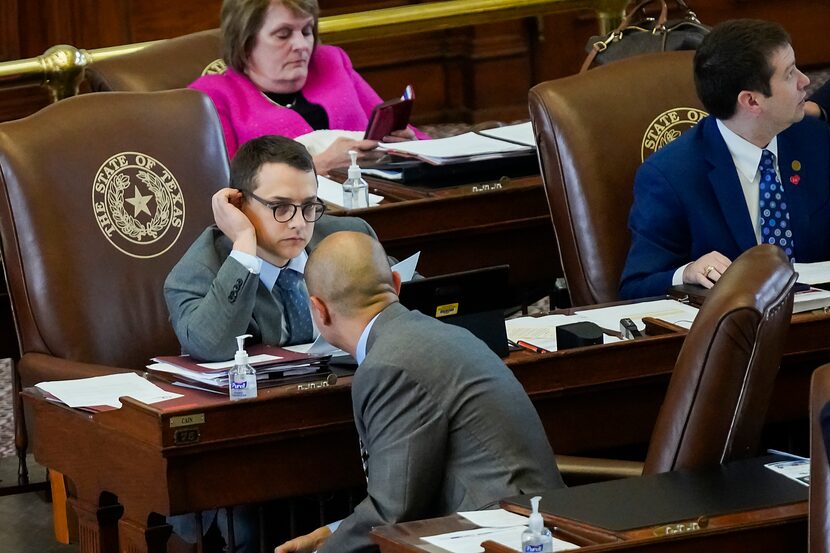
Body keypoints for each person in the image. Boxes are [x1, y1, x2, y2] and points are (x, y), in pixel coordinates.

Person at [274, 231, 564, 553]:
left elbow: (394, 512)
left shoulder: (387, 365)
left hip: (499, 536)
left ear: (319, 310)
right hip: (531, 524)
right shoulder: (443, 335)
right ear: (397, 284)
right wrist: (333, 533)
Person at [619, 19, 830, 300]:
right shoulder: (671, 176)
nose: (806, 81)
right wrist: (688, 272)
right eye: (790, 74)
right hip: (740, 334)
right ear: (751, 101)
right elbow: (635, 287)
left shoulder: (816, 140)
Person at [164, 134, 382, 361]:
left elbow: (409, 307)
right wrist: (244, 247)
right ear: (240, 204)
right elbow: (210, 348)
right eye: (280, 207)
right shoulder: (197, 272)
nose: (299, 223)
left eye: (309, 206)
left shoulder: (348, 239)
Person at [190, 0, 427, 174]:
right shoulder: (212, 96)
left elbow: (411, 134)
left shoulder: (331, 62)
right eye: (283, 35)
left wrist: (410, 146)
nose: (301, 45)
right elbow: (226, 188)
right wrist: (320, 166)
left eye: (306, 31)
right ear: (245, 42)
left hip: (387, 193)